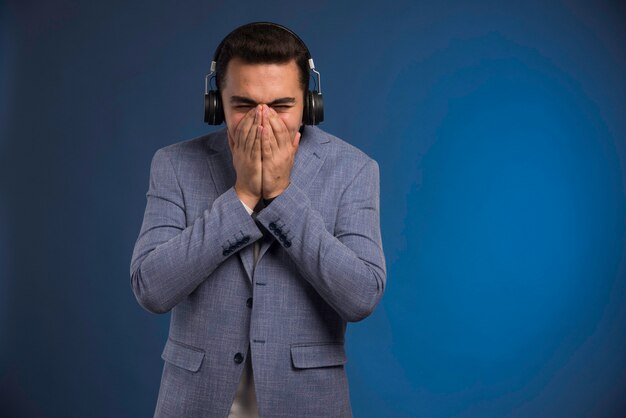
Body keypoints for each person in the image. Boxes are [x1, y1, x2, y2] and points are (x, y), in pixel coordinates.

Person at [129, 22, 386, 417]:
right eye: (244, 106)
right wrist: (243, 197)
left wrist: (282, 196)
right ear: (216, 105)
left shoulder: (353, 170)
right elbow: (151, 288)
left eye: (282, 107)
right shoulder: (175, 165)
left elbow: (361, 296)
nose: (262, 123)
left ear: (310, 105)